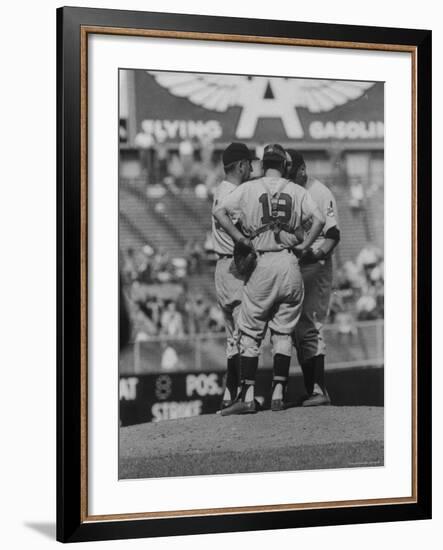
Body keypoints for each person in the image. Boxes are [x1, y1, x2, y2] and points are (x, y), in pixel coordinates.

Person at [214, 144, 325, 415]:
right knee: (283, 330)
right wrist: (305, 245)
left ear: (263, 164)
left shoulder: (250, 188)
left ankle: (248, 395)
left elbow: (220, 212)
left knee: (250, 330)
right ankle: (278, 392)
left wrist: (240, 238)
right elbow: (319, 219)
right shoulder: (297, 190)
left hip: (262, 261)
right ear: (285, 165)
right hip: (290, 262)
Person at [287, 149, 341, 406]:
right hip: (300, 262)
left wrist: (315, 255)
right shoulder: (292, 191)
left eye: (290, 172)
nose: (287, 177)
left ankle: (319, 390)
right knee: (298, 330)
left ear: (302, 169)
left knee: (311, 323)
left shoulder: (320, 192)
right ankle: (312, 390)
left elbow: (333, 235)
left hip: (317, 263)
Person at [211, 142, 253, 409]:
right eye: (249, 163)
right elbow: (246, 228)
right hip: (235, 267)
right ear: (240, 165)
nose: (251, 167)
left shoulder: (220, 189)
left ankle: (229, 393)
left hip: (222, 267)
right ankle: (242, 396)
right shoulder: (235, 194)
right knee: (244, 331)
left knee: (233, 335)